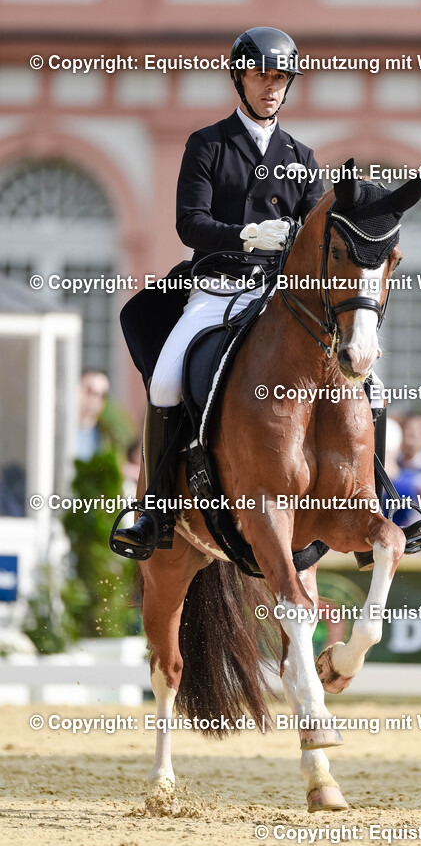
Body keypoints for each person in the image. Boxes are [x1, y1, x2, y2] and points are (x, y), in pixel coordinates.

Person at [113, 27, 324, 557]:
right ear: (240, 78)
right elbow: (190, 224)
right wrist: (244, 235)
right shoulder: (208, 144)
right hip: (215, 290)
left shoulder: (302, 155)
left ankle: (382, 501)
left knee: (369, 385)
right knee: (165, 381)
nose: (271, 87)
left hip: (278, 300)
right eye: (261, 76)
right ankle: (154, 511)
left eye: (280, 78)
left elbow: (319, 235)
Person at [77, 369, 110, 461]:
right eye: (90, 391)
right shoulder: (58, 429)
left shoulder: (107, 437)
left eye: (102, 395)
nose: (96, 399)